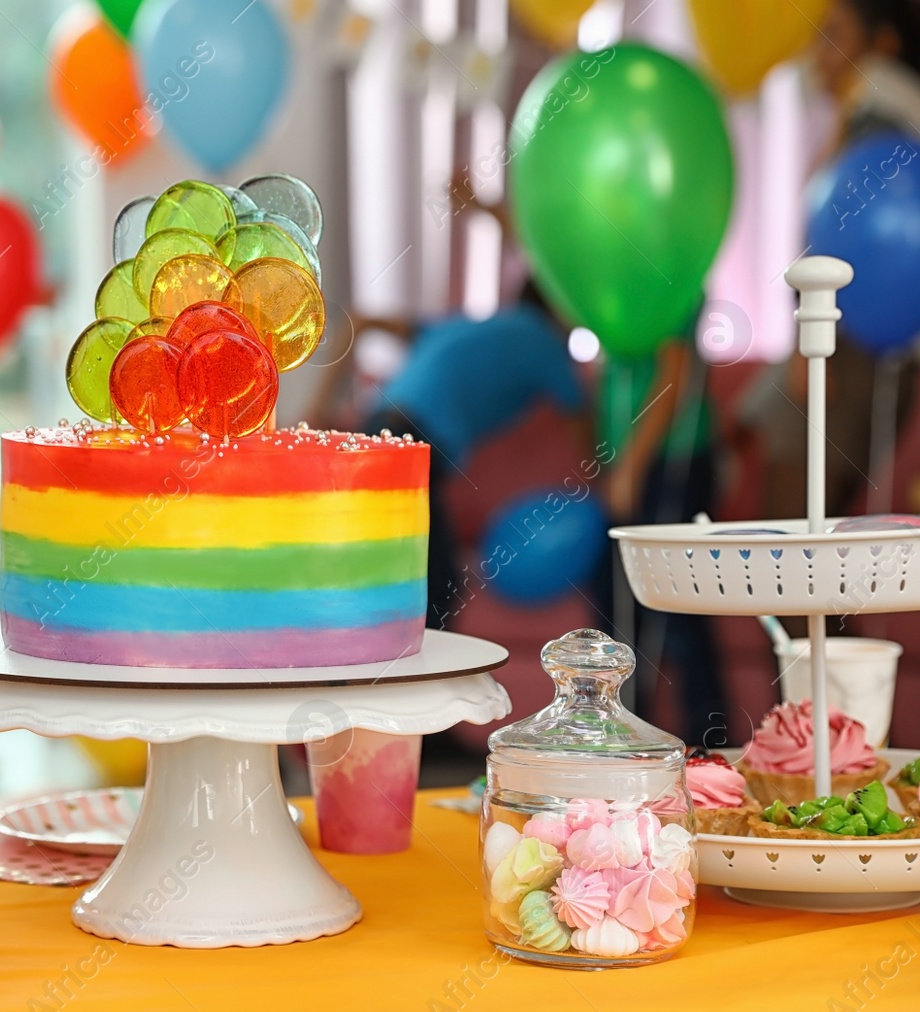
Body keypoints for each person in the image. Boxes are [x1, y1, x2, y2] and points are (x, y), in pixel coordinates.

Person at [737, 0, 920, 524]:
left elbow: (848, 237)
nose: (820, 50)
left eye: (834, 33)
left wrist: (812, 343)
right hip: (858, 345)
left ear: (882, 41)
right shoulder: (870, 110)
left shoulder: (883, 108)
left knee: (796, 539)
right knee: (810, 545)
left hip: (848, 347)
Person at [325, 282, 587, 630]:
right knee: (435, 587)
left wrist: (322, 400)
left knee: (393, 576)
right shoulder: (544, 341)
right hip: (411, 442)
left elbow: (362, 319)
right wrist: (609, 475)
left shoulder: (467, 326)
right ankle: (417, 678)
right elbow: (583, 419)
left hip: (377, 430)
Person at [589, 328, 729, 744]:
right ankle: (622, 735)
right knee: (615, 601)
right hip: (634, 460)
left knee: (678, 606)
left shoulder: (665, 280)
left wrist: (631, 464)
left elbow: (676, 372)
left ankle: (709, 743)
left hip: (669, 461)